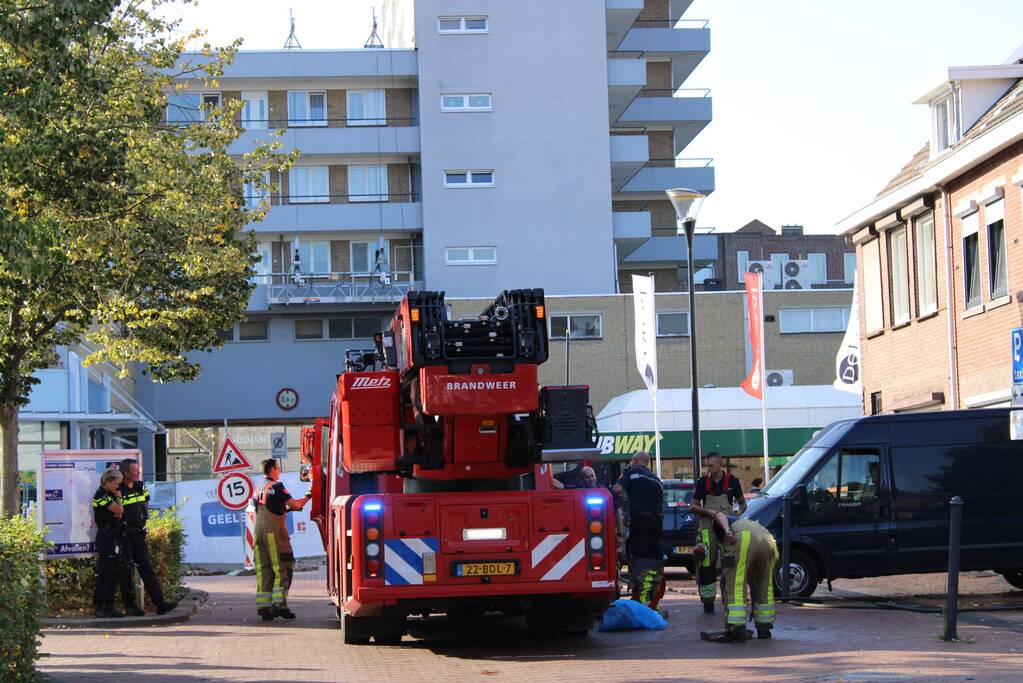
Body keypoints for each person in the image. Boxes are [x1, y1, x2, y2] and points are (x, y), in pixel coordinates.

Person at [694, 508, 777, 643]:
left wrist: (726, 530)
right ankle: (764, 628)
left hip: (745, 538)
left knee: (736, 583)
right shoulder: (744, 521)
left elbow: (718, 514)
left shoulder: (719, 524)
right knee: (763, 583)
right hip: (767, 539)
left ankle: (737, 629)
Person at [118, 458, 177, 615]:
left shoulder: (140, 486)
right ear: (125, 473)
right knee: (125, 570)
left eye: (137, 470)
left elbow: (146, 503)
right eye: (134, 471)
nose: (137, 473)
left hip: (139, 532)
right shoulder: (118, 489)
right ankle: (130, 606)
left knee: (147, 569)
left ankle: (160, 603)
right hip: (124, 534)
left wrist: (143, 520)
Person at [254, 458, 311, 620]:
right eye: (278, 469)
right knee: (281, 568)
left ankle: (264, 607)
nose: (279, 471)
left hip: (258, 534)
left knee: (263, 569)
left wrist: (285, 508)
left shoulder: (259, 489)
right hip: (274, 534)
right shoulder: (277, 486)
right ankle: (279, 605)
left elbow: (269, 507)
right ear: (272, 470)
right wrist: (309, 495)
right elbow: (297, 505)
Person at [691, 452, 746, 613]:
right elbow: (693, 506)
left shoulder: (732, 481)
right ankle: (708, 602)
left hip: (726, 531)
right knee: (706, 566)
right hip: (708, 532)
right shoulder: (702, 483)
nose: (708, 468)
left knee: (728, 565)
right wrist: (708, 512)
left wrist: (736, 514)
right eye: (706, 465)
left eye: (711, 465)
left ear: (719, 464)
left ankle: (728, 600)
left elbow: (743, 504)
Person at [612, 452, 663, 563]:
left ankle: (640, 577)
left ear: (635, 460)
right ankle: (653, 577)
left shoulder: (631, 472)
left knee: (639, 552)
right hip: (657, 520)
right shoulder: (656, 480)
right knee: (653, 552)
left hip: (640, 519)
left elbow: (617, 489)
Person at [92, 468, 127, 618]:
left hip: (113, 535)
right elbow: (119, 510)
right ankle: (100, 606)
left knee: (113, 571)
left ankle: (109, 605)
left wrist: (118, 509)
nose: (118, 488)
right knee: (106, 572)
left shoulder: (109, 495)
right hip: (106, 536)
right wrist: (119, 498)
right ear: (108, 481)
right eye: (117, 484)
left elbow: (119, 514)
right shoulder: (101, 495)